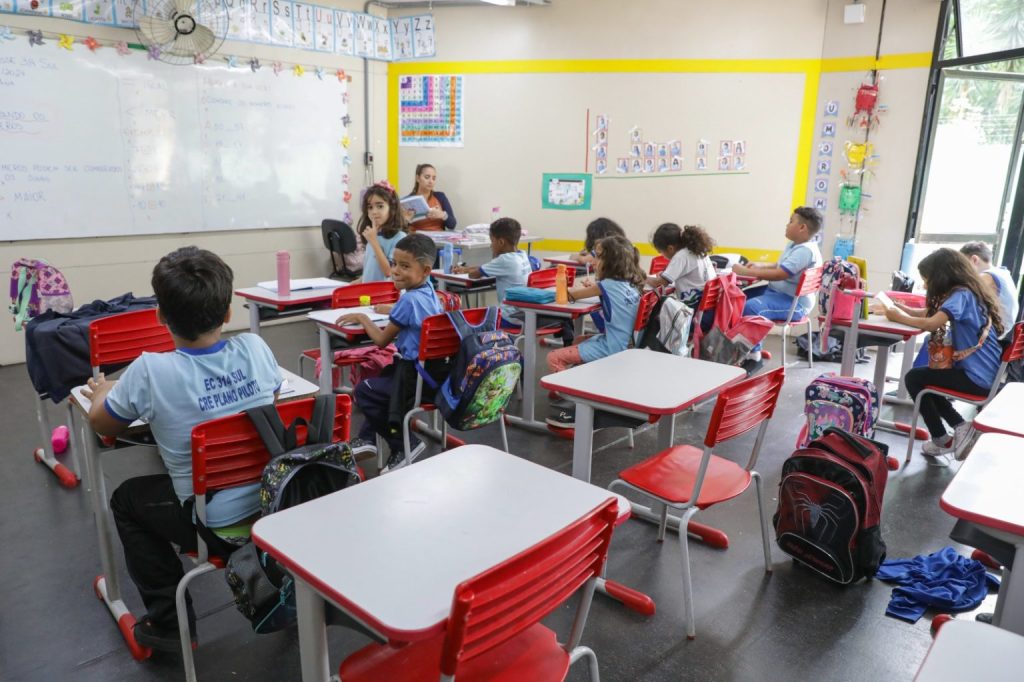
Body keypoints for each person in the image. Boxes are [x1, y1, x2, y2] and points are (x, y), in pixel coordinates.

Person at [83, 247, 283, 652]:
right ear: (228, 313)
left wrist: (103, 391)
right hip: (276, 502)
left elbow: (102, 424)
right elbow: (271, 401)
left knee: (126, 500)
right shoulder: (256, 348)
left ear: (160, 315)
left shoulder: (149, 371)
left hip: (215, 525)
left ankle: (170, 624)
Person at [884, 248, 1004, 461]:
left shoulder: (961, 295)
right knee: (925, 379)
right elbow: (932, 314)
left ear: (941, 276)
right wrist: (902, 310)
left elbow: (931, 323)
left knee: (914, 378)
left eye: (927, 280)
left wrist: (898, 317)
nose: (926, 286)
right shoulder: (971, 292)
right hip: (988, 377)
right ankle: (955, 430)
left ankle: (948, 435)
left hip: (976, 379)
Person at [338, 233, 444, 472]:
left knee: (365, 390)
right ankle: (367, 439)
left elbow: (381, 341)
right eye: (394, 263)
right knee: (385, 374)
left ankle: (405, 445)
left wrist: (362, 317)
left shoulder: (407, 301)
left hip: (414, 380)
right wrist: (393, 309)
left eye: (404, 266)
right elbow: (412, 311)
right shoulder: (430, 291)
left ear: (426, 270)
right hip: (433, 375)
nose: (395, 271)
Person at [546, 235, 644, 428]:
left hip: (613, 348)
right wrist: (595, 288)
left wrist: (568, 287)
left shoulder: (606, 285)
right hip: (627, 344)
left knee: (553, 358)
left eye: (598, 257)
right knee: (579, 340)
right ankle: (584, 385)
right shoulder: (631, 283)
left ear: (610, 262)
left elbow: (568, 295)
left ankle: (578, 403)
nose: (594, 261)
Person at [455, 217, 574, 344]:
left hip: (510, 317)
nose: (490, 245)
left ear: (501, 242)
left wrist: (470, 270)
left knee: (476, 319)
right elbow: (486, 267)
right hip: (525, 313)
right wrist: (465, 269)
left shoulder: (503, 260)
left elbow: (474, 275)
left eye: (492, 241)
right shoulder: (522, 255)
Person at [732, 206, 823, 368]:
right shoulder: (794, 245)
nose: (787, 225)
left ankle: (754, 357)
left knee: (751, 307)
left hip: (795, 304)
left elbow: (781, 274)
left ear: (802, 227)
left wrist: (747, 272)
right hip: (778, 293)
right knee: (738, 299)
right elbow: (781, 265)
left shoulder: (805, 251)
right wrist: (761, 266)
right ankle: (748, 345)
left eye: (791, 222)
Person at [645, 223, 715, 308]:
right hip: (706, 305)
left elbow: (659, 283)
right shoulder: (695, 249)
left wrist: (643, 277)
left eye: (661, 252)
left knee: (657, 307)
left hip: (693, 306)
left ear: (670, 248)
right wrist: (665, 275)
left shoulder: (681, 256)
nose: (662, 255)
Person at [960, 241, 1019, 338]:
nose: (963, 271)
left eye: (963, 265)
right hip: (999, 332)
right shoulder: (1002, 272)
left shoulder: (987, 276)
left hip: (989, 335)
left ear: (974, 259)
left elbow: (961, 300)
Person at [356, 182, 408, 284]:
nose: (374, 212)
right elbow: (371, 268)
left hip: (385, 292)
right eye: (370, 207)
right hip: (369, 290)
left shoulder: (400, 237)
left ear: (392, 208)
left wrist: (374, 242)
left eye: (380, 206)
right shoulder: (373, 234)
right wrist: (359, 281)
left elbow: (389, 272)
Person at [404, 163, 457, 232]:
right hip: (417, 237)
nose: (431, 181)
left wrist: (442, 215)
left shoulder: (440, 196)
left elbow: (452, 225)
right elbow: (399, 229)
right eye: (427, 177)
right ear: (418, 178)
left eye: (433, 178)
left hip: (439, 236)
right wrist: (405, 220)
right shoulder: (407, 201)